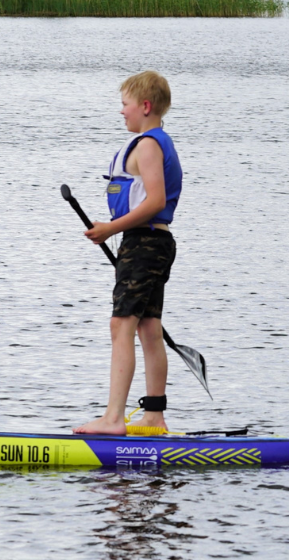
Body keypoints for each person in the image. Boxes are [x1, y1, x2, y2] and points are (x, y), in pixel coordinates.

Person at [74, 71, 182, 436]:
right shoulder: (152, 142)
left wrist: (110, 228)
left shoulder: (149, 145)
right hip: (152, 244)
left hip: (145, 243)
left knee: (121, 324)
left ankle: (113, 419)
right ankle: (153, 415)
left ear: (145, 106)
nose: (121, 112)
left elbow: (154, 201)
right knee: (149, 328)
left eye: (125, 105)